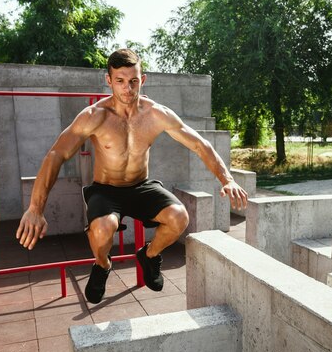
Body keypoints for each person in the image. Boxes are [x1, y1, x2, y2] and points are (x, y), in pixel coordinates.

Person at [16, 48, 248, 304]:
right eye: (120, 81)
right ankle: (102, 265)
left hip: (140, 187)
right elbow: (56, 154)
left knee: (179, 217)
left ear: (143, 79)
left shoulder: (156, 114)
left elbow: (199, 144)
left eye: (133, 81)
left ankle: (149, 255)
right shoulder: (94, 116)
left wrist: (226, 178)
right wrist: (36, 208)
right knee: (104, 229)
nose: (128, 88)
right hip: (106, 189)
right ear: (109, 80)